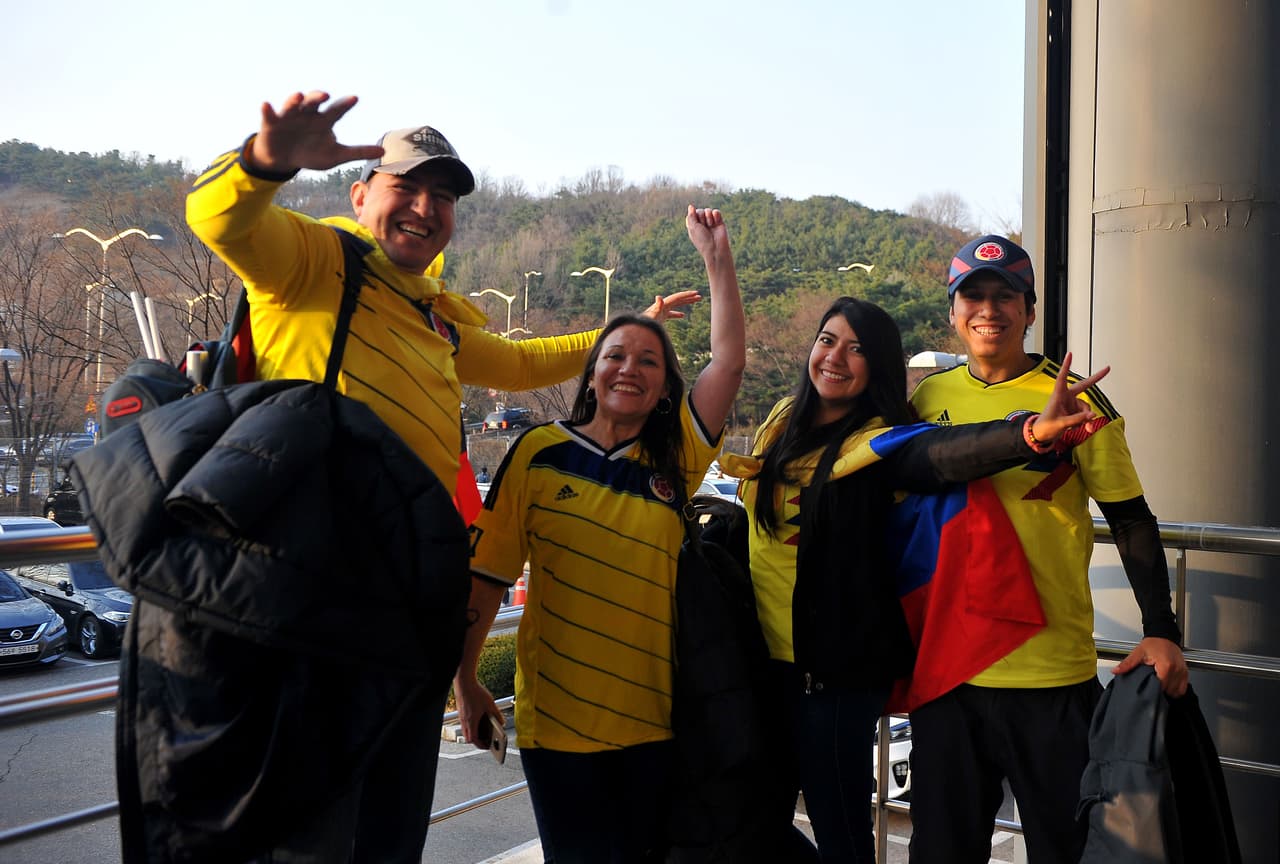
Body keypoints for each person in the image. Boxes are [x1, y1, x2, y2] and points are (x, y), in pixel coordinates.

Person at [111, 90, 695, 864]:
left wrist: (628, 329)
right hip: (314, 599)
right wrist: (265, 163)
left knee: (390, 825)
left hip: (409, 607)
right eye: (407, 188)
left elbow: (522, 363)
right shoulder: (317, 261)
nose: (425, 208)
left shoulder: (440, 319)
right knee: (307, 828)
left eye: (443, 196)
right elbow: (219, 221)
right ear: (360, 195)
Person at [719, 295, 1109, 862]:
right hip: (764, 666)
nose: (835, 357)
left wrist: (1026, 434)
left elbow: (942, 453)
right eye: (828, 340)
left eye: (857, 350)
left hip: (832, 675)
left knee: (842, 834)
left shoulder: (880, 442)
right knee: (751, 825)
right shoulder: (780, 422)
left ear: (878, 366)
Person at [453, 205, 745, 863]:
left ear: (665, 386)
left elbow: (727, 363)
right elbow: (490, 572)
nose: (630, 368)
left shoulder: (675, 459)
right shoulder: (536, 453)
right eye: (615, 355)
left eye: (649, 360)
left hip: (655, 724)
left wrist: (717, 258)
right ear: (591, 372)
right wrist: (466, 677)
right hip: (557, 729)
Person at [906, 234, 1189, 864]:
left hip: (1051, 672)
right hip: (948, 673)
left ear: (1030, 310)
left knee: (1066, 849)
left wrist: (1162, 630)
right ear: (952, 312)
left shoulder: (1080, 398)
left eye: (1005, 296)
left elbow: (1131, 520)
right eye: (971, 296)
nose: (988, 309)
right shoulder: (928, 400)